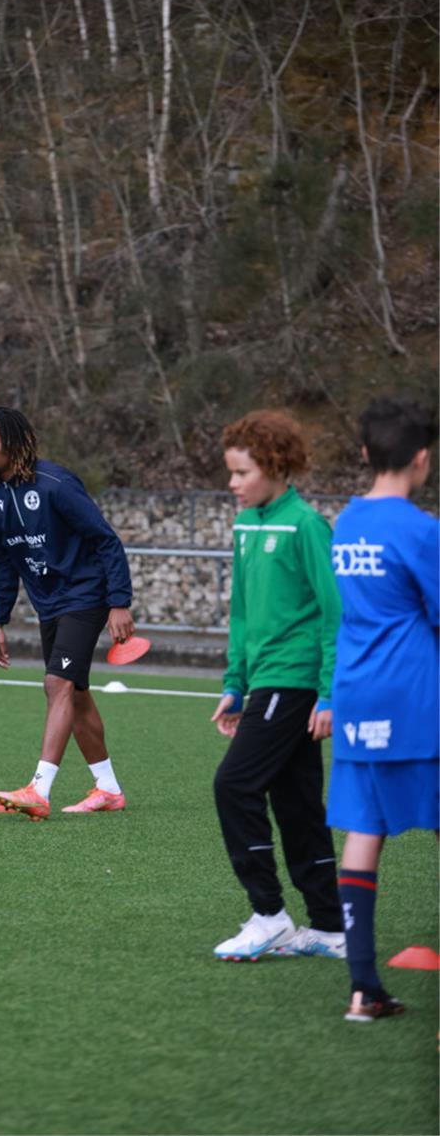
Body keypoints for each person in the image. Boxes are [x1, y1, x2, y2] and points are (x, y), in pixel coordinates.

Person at [210, 410, 346, 961]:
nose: (233, 483)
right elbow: (242, 613)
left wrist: (331, 693)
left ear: (274, 466)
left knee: (233, 785)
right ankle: (331, 928)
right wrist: (234, 684)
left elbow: (337, 614)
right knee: (296, 806)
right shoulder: (245, 526)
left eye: (242, 473)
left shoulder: (307, 525)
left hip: (294, 683)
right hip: (263, 681)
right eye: (231, 473)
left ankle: (268, 914)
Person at [327, 397, 438, 1022]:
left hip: (357, 696)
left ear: (366, 454)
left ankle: (363, 988)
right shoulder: (422, 529)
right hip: (417, 699)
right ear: (421, 459)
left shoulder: (345, 522)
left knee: (364, 833)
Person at [0, 407, 135, 820]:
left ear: (12, 443)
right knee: (75, 694)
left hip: (86, 594)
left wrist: (119, 601)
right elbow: (0, 561)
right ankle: (109, 789)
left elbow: (106, 541)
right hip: (49, 602)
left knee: (57, 683)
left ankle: (38, 789)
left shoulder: (56, 484)